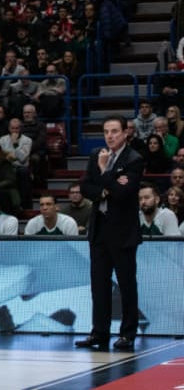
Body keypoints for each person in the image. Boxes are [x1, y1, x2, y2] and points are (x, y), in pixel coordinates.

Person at [76, 115, 145, 351]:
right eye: (106, 131)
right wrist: (105, 191)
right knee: (99, 285)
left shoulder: (134, 159)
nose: (110, 136)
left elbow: (124, 193)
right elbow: (85, 187)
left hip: (123, 232)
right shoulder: (96, 154)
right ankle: (99, 332)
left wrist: (105, 172)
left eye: (115, 131)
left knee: (126, 285)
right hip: (100, 229)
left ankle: (127, 334)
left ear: (126, 133)